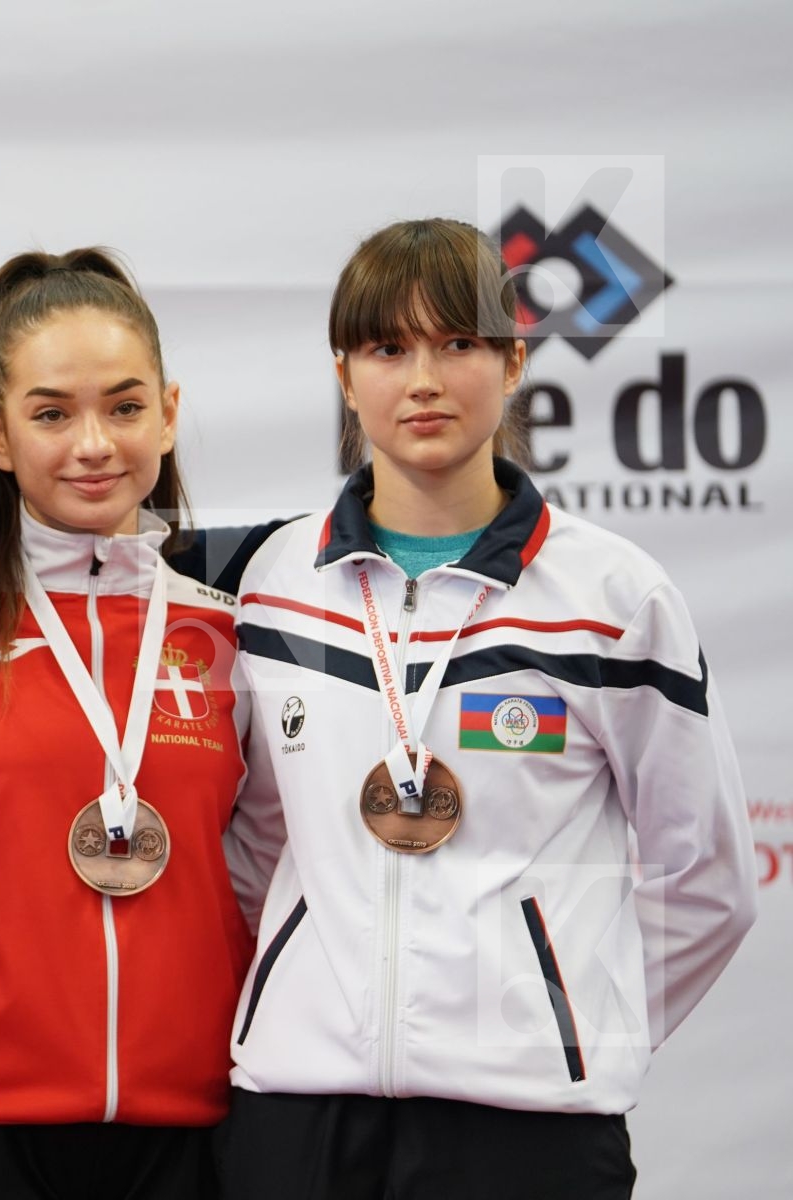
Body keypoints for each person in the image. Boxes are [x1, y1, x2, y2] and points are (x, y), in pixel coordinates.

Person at [218, 218, 757, 1199]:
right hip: (296, 1112)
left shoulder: (613, 597)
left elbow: (707, 871)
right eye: (388, 348)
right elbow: (258, 845)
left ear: (513, 364)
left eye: (457, 344)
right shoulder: (276, 580)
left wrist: (571, 1030)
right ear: (345, 375)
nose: (422, 380)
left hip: (529, 1131)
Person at [0, 249, 276, 1199]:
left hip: (187, 1111)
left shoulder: (230, 632)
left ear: (170, 414)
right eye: (52, 413)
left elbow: (264, 871)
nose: (94, 443)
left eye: (125, 407)